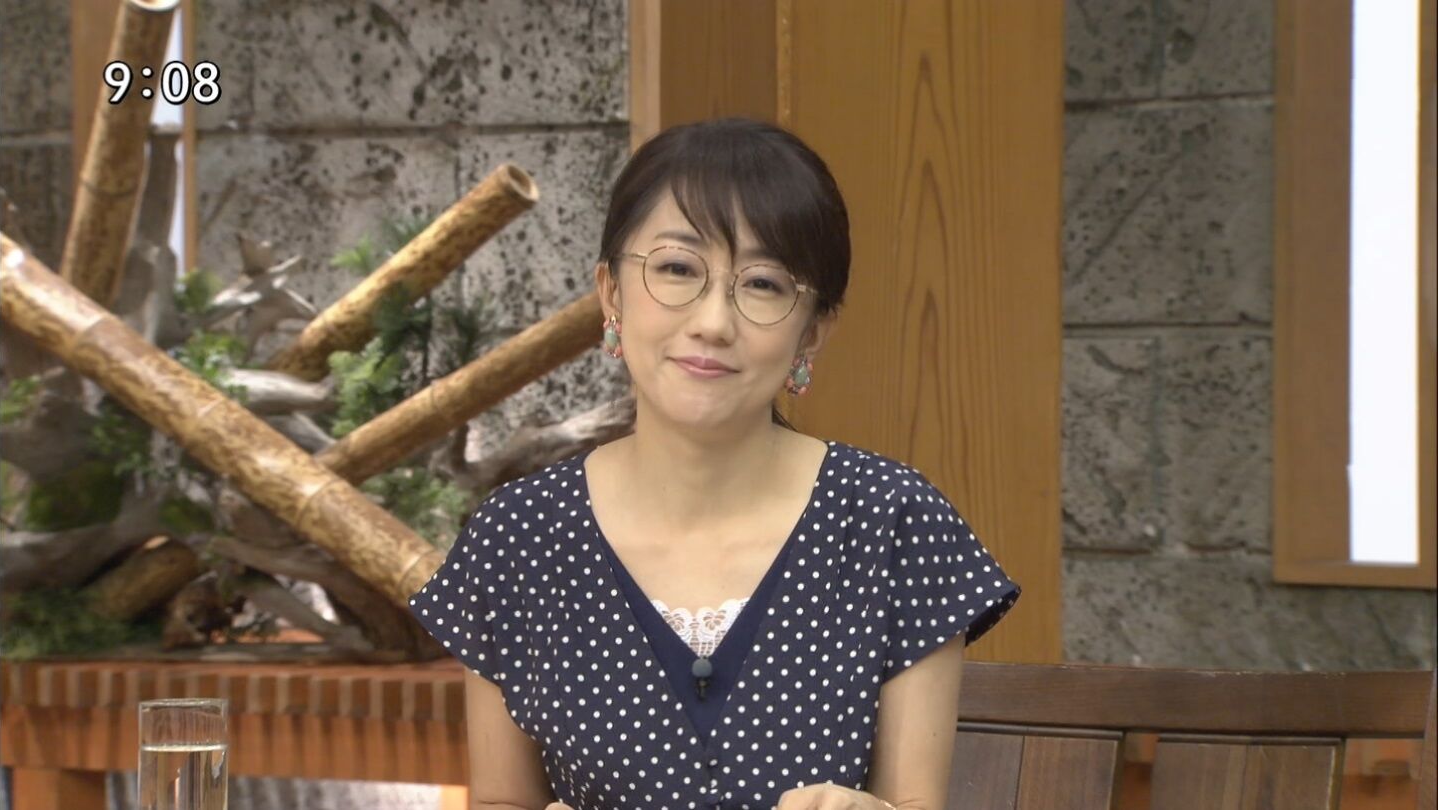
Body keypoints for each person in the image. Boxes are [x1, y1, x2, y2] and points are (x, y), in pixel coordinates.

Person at [409, 117, 1021, 810]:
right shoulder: (518, 536)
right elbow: (502, 801)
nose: (712, 323)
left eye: (763, 284)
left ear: (813, 332)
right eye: (677, 269)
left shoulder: (891, 520)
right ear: (610, 293)